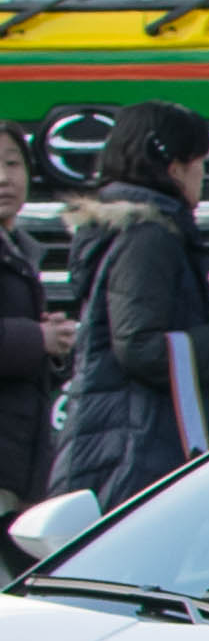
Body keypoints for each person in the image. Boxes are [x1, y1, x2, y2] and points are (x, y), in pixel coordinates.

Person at [48, 101, 209, 508]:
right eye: (199, 163)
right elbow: (138, 343)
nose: (202, 176)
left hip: (125, 439)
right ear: (175, 168)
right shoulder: (148, 236)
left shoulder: (136, 229)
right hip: (135, 448)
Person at [0, 124, 77, 522]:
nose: (4, 178)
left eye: (13, 164)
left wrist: (52, 339)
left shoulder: (19, 249)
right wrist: (36, 337)